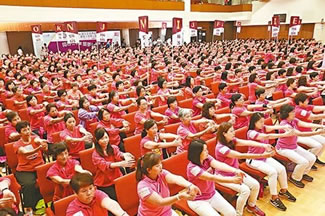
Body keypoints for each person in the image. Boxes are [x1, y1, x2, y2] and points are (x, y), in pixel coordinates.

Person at [215, 122, 274, 216]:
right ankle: (239, 213)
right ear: (224, 133)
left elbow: (246, 142)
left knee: (255, 185)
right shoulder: (221, 148)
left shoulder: (230, 140)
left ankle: (251, 206)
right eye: (231, 131)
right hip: (223, 176)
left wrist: (263, 145)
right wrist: (262, 155)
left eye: (233, 130)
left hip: (235, 172)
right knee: (245, 190)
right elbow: (241, 155)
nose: (234, 132)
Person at [248, 113, 296, 211]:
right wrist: (283, 134)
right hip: (254, 159)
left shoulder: (263, 127)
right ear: (254, 122)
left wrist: (284, 126)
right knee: (273, 172)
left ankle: (283, 190)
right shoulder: (251, 132)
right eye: (260, 122)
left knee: (281, 169)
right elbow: (267, 136)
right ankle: (274, 197)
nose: (263, 124)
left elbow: (272, 127)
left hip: (264, 156)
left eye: (263, 121)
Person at [187, 139, 248, 216]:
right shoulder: (192, 168)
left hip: (212, 194)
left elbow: (219, 164)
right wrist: (231, 180)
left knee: (232, 213)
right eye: (205, 150)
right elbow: (211, 178)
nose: (207, 152)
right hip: (198, 200)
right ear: (197, 153)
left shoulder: (206, 158)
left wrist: (235, 171)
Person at [136, 152, 201, 216]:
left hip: (166, 212)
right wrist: (179, 196)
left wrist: (190, 185)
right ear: (149, 170)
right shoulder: (142, 187)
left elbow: (176, 179)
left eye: (160, 163)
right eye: (157, 166)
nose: (161, 167)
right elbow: (160, 202)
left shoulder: (161, 173)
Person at [276, 104, 323, 188]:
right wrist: (317, 132)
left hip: (293, 146)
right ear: (287, 113)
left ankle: (303, 173)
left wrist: (320, 126)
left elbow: (306, 124)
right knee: (303, 162)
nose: (294, 113)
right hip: (284, 148)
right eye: (292, 112)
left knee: (312, 157)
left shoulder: (294, 120)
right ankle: (295, 178)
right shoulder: (284, 125)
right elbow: (300, 133)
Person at [13, 121, 47, 214]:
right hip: (25, 170)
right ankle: (29, 207)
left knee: (49, 179)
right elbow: (25, 152)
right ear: (20, 133)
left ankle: (47, 202)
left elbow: (38, 141)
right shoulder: (17, 144)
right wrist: (38, 148)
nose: (27, 131)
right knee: (29, 184)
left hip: (39, 166)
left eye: (28, 129)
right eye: (24, 130)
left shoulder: (35, 138)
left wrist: (42, 143)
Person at [92, 128, 135, 200]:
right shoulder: (95, 154)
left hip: (116, 176)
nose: (105, 140)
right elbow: (105, 165)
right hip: (104, 182)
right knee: (117, 198)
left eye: (106, 137)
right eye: (102, 139)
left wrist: (124, 155)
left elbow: (118, 154)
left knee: (128, 193)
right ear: (97, 140)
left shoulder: (113, 147)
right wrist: (121, 164)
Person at [294, 93, 325, 166]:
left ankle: (315, 157)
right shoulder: (299, 111)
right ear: (300, 103)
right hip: (301, 134)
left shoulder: (306, 106)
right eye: (306, 101)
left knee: (324, 142)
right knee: (318, 146)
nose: (308, 101)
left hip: (308, 131)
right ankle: (310, 160)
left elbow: (319, 108)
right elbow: (314, 117)